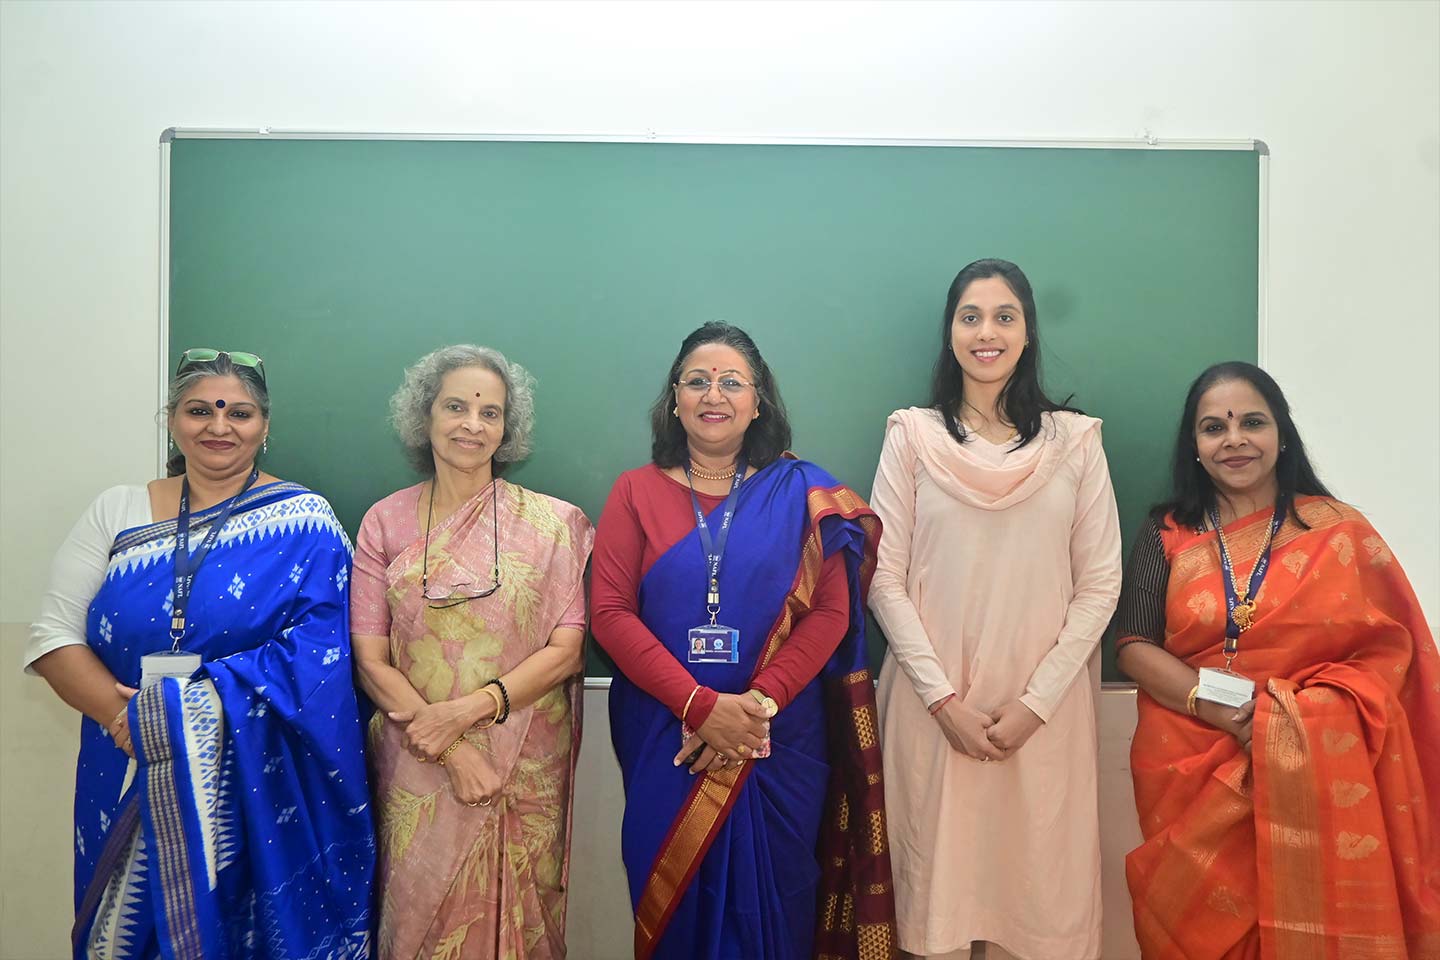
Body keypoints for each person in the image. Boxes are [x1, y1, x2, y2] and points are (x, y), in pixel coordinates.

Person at [27, 348, 374, 958]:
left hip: (257, 782)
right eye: (199, 411)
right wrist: (133, 721)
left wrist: (191, 718)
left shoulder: (307, 522)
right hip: (127, 760)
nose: (219, 427)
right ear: (171, 420)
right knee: (128, 933)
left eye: (239, 412)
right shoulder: (118, 509)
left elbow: (323, 654)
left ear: (264, 426)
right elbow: (54, 636)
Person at [590, 322, 897, 960]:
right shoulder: (635, 491)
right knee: (675, 916)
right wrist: (700, 706)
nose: (714, 394)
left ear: (758, 402)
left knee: (777, 913)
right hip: (666, 735)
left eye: (732, 382)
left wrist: (755, 706)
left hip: (777, 737)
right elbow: (611, 614)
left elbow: (831, 613)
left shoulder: (803, 494)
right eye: (697, 381)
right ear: (675, 399)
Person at [1118, 360, 1440, 959]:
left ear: (1281, 434)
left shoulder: (1339, 530)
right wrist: (1224, 710)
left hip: (1322, 758)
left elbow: (1393, 660)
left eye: (1252, 422)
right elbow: (1133, 645)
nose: (1234, 439)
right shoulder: (1167, 531)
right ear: (1194, 445)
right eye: (1214, 427)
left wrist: (1291, 720)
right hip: (1193, 751)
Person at [868, 259, 1122, 960]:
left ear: (1028, 331)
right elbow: (883, 578)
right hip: (933, 708)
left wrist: (1035, 705)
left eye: (1004, 316)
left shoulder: (1075, 442)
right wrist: (943, 701)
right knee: (936, 919)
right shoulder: (912, 436)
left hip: (1042, 717)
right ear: (950, 332)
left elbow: (1100, 584)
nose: (987, 332)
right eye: (970, 316)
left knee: (1033, 912)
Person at [351, 344, 593, 960]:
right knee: (419, 924)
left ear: (508, 428)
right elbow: (371, 660)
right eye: (455, 407)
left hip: (525, 763)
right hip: (420, 760)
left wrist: (464, 713)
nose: (472, 425)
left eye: (490, 412)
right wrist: (451, 748)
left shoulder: (554, 525)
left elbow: (567, 651)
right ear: (424, 416)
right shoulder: (384, 523)